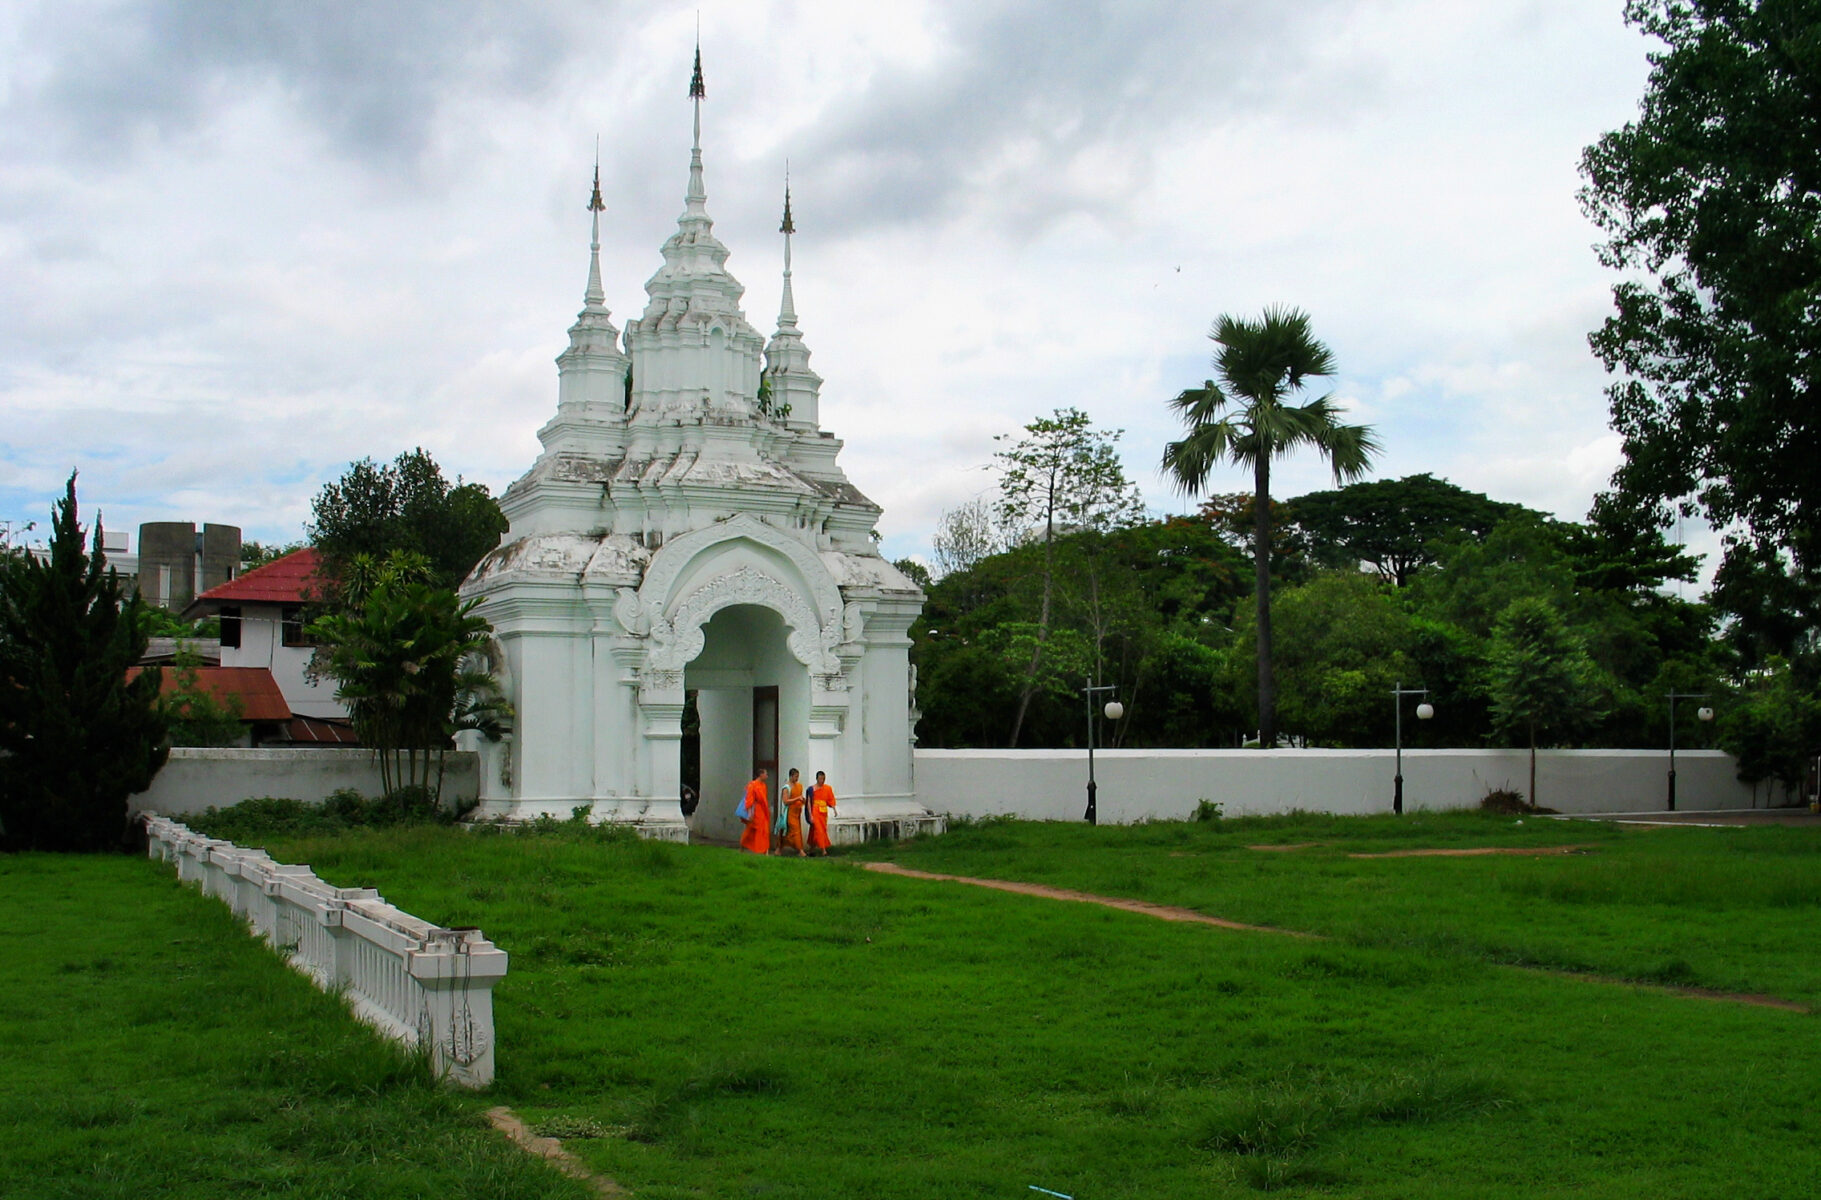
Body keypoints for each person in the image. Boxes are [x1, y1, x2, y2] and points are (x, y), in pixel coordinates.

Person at [739, 767, 770, 855]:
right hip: (754, 810)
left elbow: (764, 799)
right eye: (766, 774)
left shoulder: (764, 786)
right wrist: (749, 813)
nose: (767, 776)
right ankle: (742, 846)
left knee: (764, 830)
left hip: (762, 810)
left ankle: (765, 850)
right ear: (761, 775)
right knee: (750, 830)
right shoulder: (752, 785)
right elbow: (749, 799)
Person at [778, 768, 807, 857]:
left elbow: (799, 797)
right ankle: (800, 851)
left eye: (798, 777)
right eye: (795, 776)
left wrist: (803, 801)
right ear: (791, 776)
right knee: (795, 831)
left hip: (797, 812)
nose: (797, 778)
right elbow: (785, 801)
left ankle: (779, 849)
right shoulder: (786, 788)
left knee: (788, 833)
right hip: (789, 813)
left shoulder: (799, 786)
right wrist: (797, 799)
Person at [806, 770, 836, 856]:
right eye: (820, 779)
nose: (822, 781)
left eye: (823, 779)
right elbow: (808, 803)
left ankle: (811, 850)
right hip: (815, 811)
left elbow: (830, 799)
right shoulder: (811, 789)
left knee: (816, 830)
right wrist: (810, 815)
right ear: (817, 779)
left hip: (823, 812)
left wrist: (834, 809)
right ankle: (823, 850)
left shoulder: (827, 788)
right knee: (819, 830)